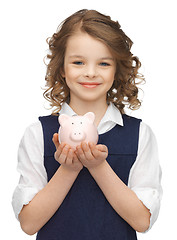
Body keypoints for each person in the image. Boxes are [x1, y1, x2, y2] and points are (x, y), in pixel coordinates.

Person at [12, 9, 162, 240]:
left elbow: (142, 221)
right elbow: (29, 223)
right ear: (62, 68)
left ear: (117, 70)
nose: (90, 73)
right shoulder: (37, 134)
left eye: (103, 63)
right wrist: (69, 168)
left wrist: (98, 166)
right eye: (78, 62)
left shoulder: (140, 134)